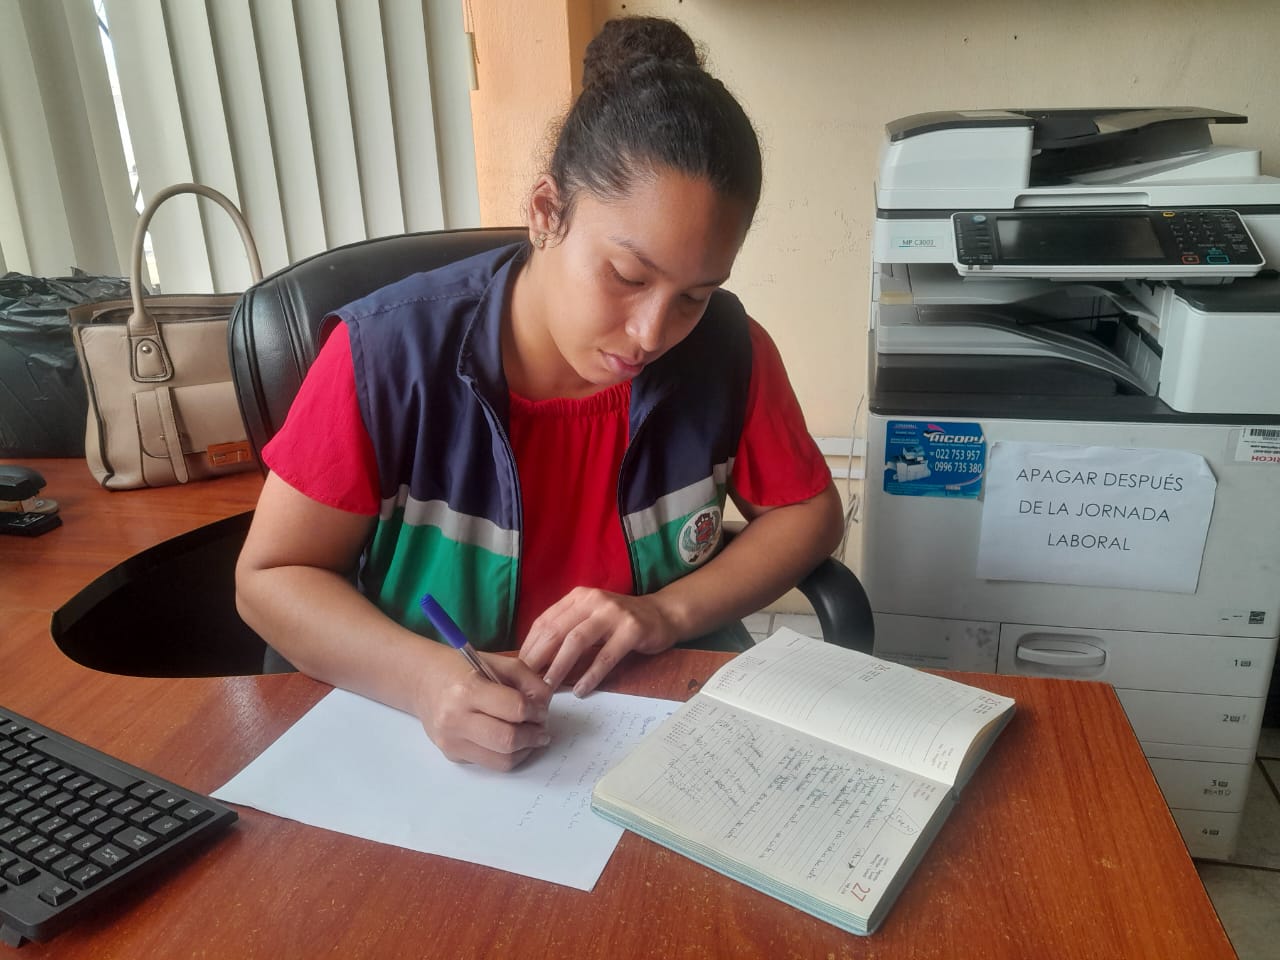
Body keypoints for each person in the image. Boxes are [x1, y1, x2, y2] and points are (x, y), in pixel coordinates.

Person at [234, 16, 843, 772]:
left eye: (694, 294)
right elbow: (270, 579)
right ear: (546, 212)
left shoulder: (726, 350)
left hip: (658, 738)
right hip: (429, 752)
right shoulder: (385, 357)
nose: (652, 333)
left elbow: (809, 512)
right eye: (627, 276)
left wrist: (664, 612)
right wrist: (425, 680)